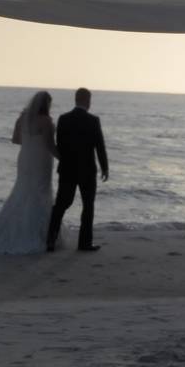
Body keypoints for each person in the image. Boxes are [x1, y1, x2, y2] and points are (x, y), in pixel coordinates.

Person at [0, 91, 61, 254]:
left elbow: (15, 140)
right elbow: (50, 145)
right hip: (41, 160)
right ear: (46, 104)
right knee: (40, 192)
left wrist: (30, 141)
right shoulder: (46, 121)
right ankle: (38, 233)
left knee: (22, 191)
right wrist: (64, 158)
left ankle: (14, 229)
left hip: (25, 159)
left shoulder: (22, 119)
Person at [47, 87, 108, 252]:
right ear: (87, 101)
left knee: (61, 204)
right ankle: (84, 243)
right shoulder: (93, 120)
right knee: (88, 206)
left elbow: (60, 145)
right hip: (87, 170)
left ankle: (50, 239)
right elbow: (99, 146)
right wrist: (105, 168)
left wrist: (66, 161)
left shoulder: (63, 119)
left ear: (75, 100)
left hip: (67, 169)